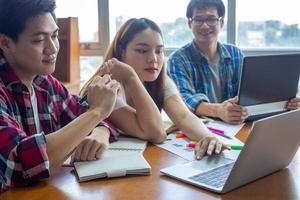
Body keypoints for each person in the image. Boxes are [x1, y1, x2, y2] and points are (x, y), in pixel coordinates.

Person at [0, 0, 119, 191]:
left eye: (54, 36)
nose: (53, 48)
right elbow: (20, 163)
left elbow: (85, 114)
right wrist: (96, 113)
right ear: (5, 43)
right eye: (39, 40)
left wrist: (100, 132)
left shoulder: (45, 82)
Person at [81, 18, 229, 162]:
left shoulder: (160, 80)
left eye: (159, 51)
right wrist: (131, 77)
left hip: (142, 162)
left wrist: (208, 137)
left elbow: (183, 117)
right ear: (121, 52)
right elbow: (156, 133)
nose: (153, 58)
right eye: (142, 50)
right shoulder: (107, 86)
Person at [168, 0, 300, 125]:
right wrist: (219, 111)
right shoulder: (178, 59)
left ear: (221, 22)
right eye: (198, 19)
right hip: (199, 130)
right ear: (189, 23)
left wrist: (283, 103)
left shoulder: (235, 54)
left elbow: (251, 92)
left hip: (236, 127)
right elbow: (183, 101)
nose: (204, 25)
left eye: (211, 19)